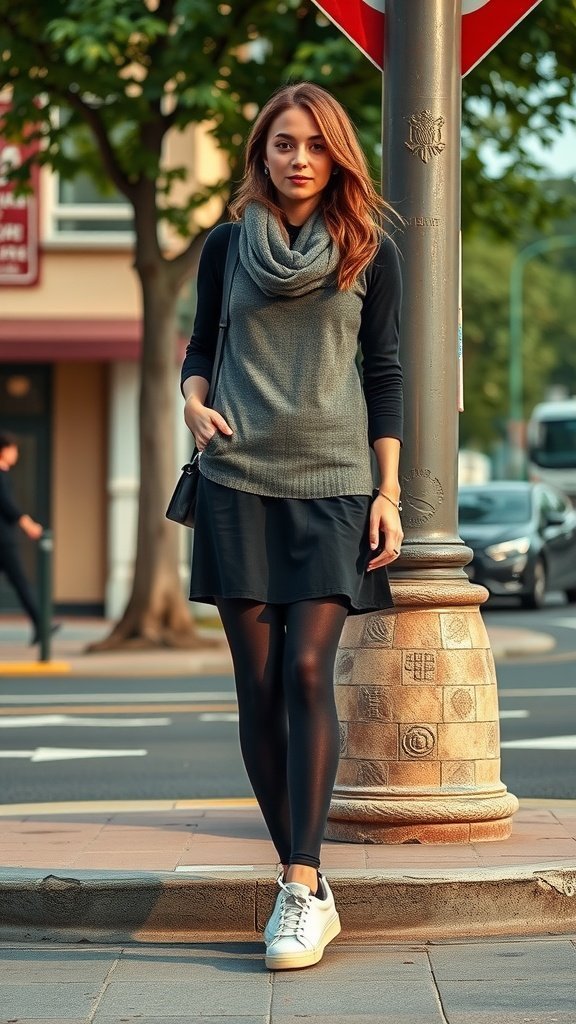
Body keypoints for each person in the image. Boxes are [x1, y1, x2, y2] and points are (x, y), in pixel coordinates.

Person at [181, 82, 403, 970]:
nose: (298, 157)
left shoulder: (369, 250)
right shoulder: (226, 247)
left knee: (310, 668)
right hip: (235, 479)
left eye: (313, 143)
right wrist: (192, 403)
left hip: (336, 487)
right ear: (261, 155)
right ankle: (298, 880)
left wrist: (388, 493)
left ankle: (303, 886)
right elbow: (201, 347)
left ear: (336, 152)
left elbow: (385, 374)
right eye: (282, 143)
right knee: (260, 686)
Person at [0, 431, 46, 645]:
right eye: (13, 449)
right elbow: (8, 506)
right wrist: (27, 524)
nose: (16, 453)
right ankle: (41, 625)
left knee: (21, 583)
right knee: (21, 582)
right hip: (4, 542)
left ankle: (40, 625)